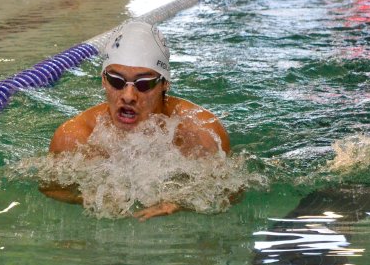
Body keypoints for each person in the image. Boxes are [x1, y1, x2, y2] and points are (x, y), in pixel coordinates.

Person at [44, 20, 231, 220]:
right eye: (117, 81)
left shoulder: (202, 132)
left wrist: (182, 202)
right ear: (103, 80)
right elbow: (52, 189)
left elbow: (232, 191)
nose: (128, 95)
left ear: (165, 83)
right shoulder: (75, 137)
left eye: (143, 84)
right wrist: (89, 198)